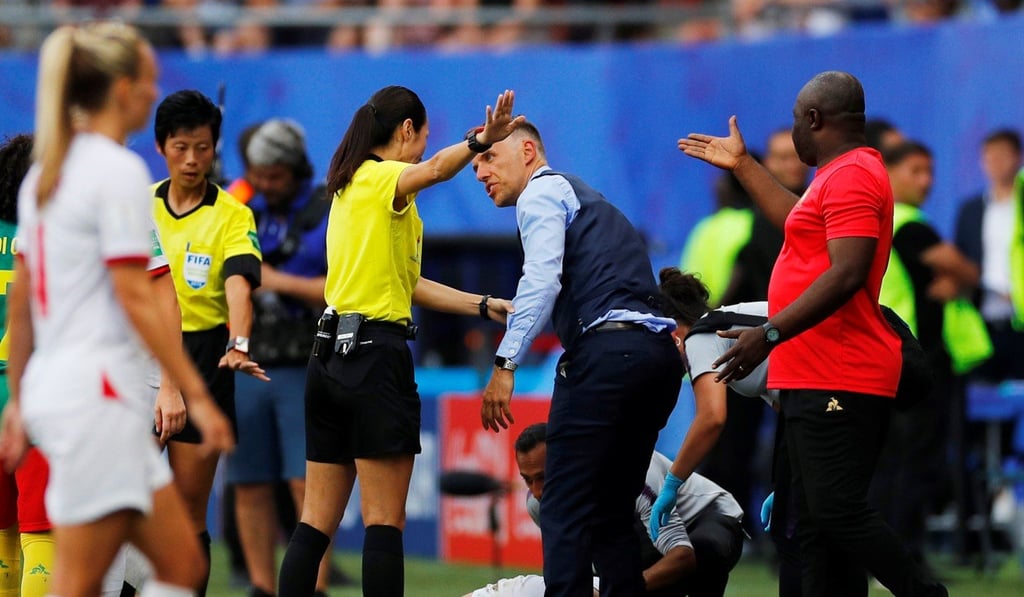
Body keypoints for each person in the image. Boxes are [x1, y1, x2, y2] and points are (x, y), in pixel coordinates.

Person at [677, 71, 947, 596]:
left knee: (835, 511)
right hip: (812, 371)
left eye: (797, 122)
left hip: (841, 372)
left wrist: (769, 334)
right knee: (813, 530)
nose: (794, 134)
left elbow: (847, 273)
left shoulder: (852, 176)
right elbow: (796, 220)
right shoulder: (836, 176)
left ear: (815, 120)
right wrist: (743, 165)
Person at [0, 21, 234, 597]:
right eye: (150, 80)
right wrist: (194, 394)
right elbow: (140, 294)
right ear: (122, 88)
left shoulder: (44, 175)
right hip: (98, 402)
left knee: (91, 574)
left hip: (59, 396)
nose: (156, 94)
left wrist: (21, 400)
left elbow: (25, 302)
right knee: (172, 566)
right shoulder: (118, 173)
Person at [276, 86, 519, 597]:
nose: (424, 149)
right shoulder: (382, 177)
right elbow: (431, 171)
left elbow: (409, 283)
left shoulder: (348, 186)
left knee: (314, 523)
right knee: (384, 524)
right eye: (423, 137)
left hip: (328, 359)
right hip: (373, 360)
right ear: (406, 130)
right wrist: (481, 140)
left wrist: (481, 304)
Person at [472, 121, 684, 596]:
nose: (479, 172)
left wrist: (506, 363)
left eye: (488, 158)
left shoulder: (541, 194)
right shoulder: (592, 200)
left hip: (606, 356)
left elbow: (541, 280)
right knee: (611, 512)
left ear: (528, 151)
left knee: (562, 507)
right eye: (474, 163)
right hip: (657, 359)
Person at [151, 88, 268, 597]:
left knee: (185, 513)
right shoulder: (139, 206)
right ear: (161, 147)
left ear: (215, 148)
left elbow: (239, 285)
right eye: (181, 147)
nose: (192, 159)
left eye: (203, 147)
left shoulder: (232, 215)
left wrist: (238, 341)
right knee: (124, 505)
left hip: (205, 357)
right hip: (140, 354)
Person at [228, 118, 334, 597]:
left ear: (295, 169)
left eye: (275, 175)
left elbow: (342, 287)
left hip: (306, 364)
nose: (266, 184)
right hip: (250, 360)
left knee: (305, 484)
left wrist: (275, 280)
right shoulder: (241, 204)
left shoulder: (326, 209)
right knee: (248, 483)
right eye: (258, 173)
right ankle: (260, 587)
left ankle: (313, 587)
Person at [651, 267, 802, 596]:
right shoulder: (727, 327)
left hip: (847, 381)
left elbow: (711, 419)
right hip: (837, 392)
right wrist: (791, 478)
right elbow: (791, 413)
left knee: (798, 536)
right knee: (814, 531)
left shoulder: (700, 337)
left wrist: (672, 484)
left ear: (672, 331)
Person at [467, 422, 744, 597]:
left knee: (700, 554)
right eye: (528, 480)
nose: (539, 490)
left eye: (544, 476)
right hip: (642, 534)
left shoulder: (630, 475)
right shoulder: (539, 505)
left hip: (710, 518)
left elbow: (682, 556)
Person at [873, 140, 983, 570]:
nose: (927, 181)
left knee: (887, 460)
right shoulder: (911, 224)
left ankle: (880, 555)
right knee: (916, 461)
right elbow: (967, 269)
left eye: (930, 172)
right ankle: (904, 557)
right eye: (916, 171)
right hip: (915, 359)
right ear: (891, 174)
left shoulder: (874, 221)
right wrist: (958, 279)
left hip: (879, 355)